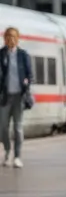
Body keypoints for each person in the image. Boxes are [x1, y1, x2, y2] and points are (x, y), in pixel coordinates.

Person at [1, 27, 31, 168]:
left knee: (18, 128)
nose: (10, 39)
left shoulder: (23, 55)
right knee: (3, 127)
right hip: (4, 97)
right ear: (4, 39)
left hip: (19, 96)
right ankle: (7, 152)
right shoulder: (1, 55)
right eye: (7, 37)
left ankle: (18, 156)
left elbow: (30, 74)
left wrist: (26, 81)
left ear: (18, 38)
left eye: (13, 37)